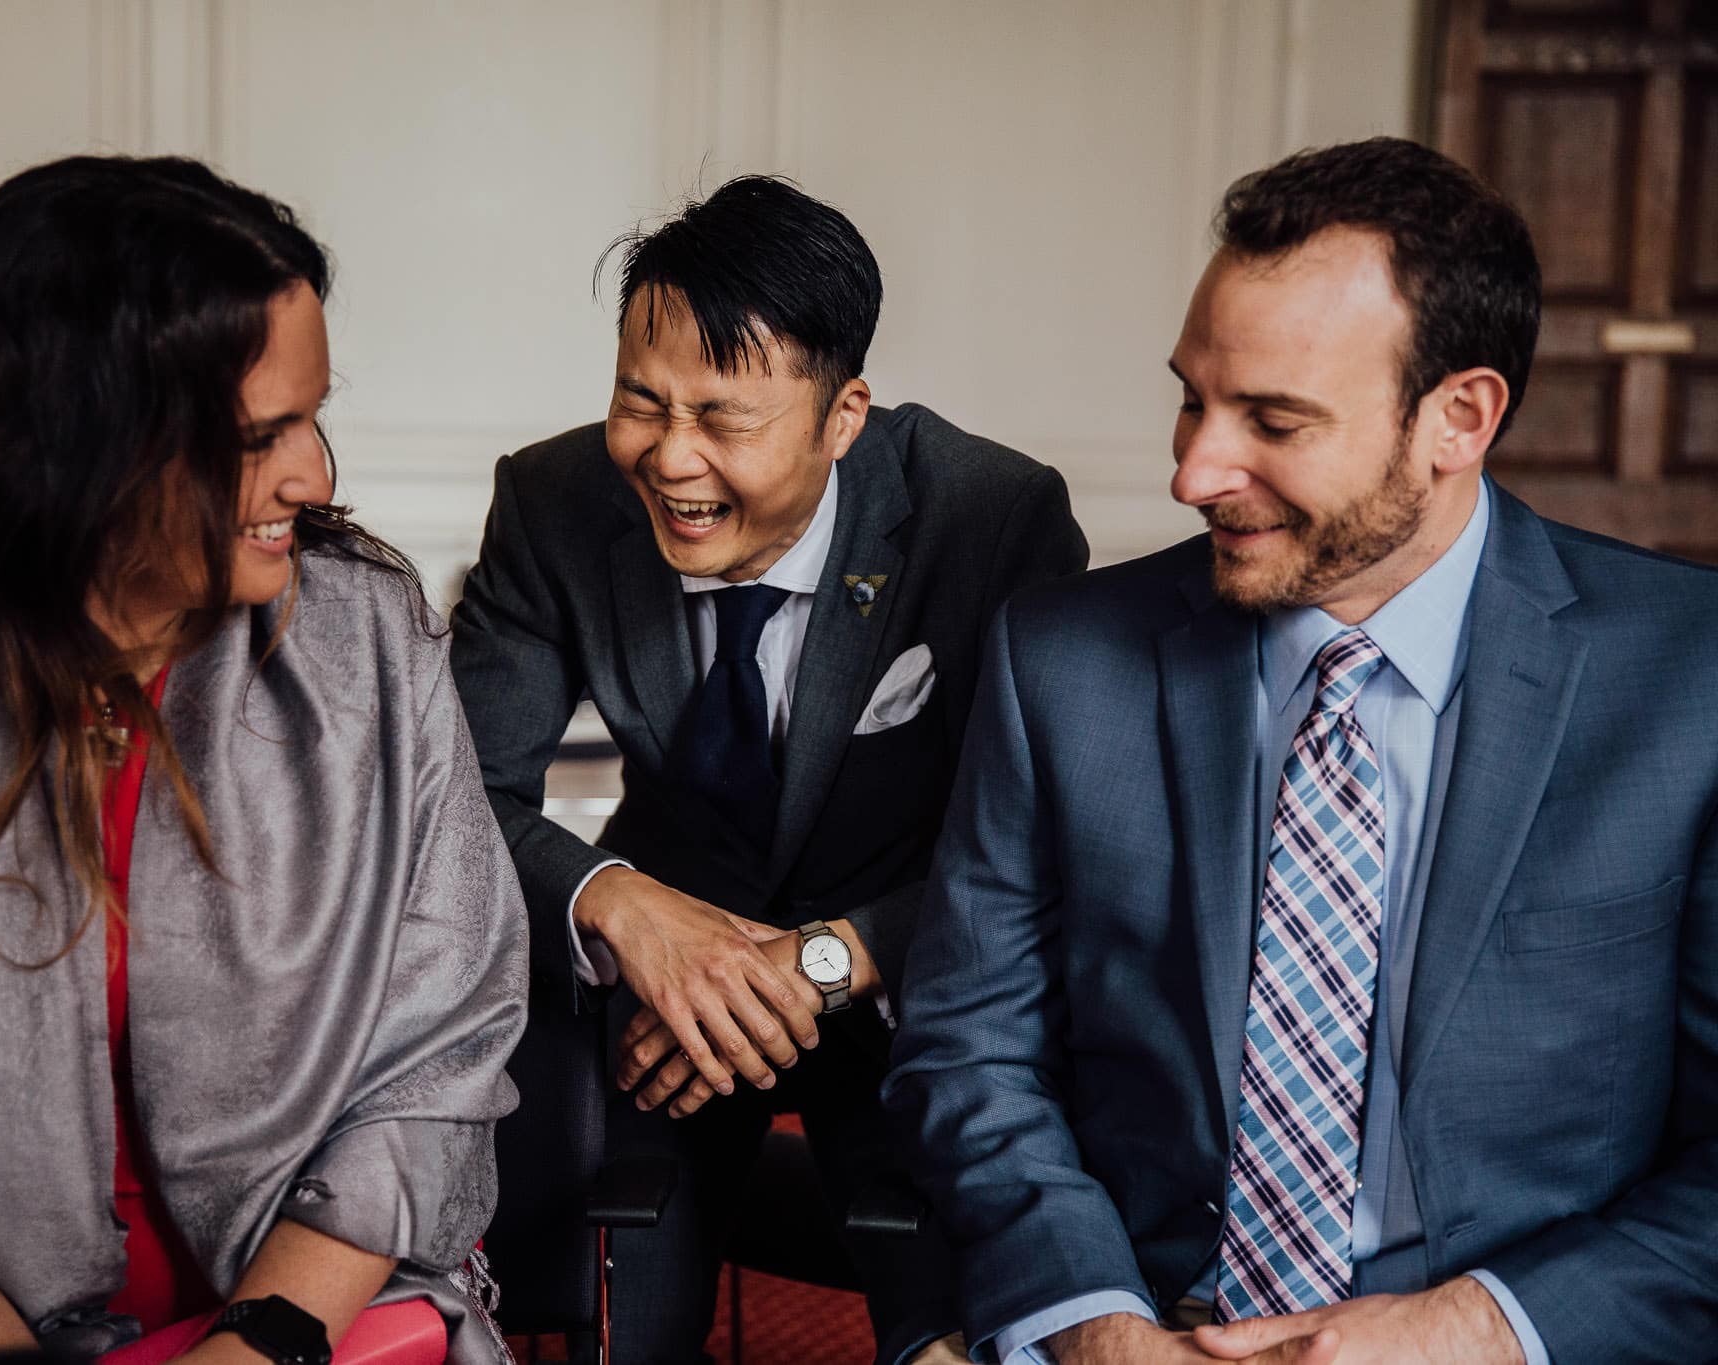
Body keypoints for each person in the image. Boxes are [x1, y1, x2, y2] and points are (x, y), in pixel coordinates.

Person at [0, 156, 526, 1363]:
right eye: (255, 437)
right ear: (84, 446)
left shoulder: (367, 646)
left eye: (313, 417)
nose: (315, 477)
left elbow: (439, 1050)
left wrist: (257, 1345)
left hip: (310, 1325)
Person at [883, 134, 1718, 1365]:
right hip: (1146, 1324)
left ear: (1458, 419)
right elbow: (970, 1050)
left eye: (1270, 419)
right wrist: (1094, 1326)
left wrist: (1474, 1329)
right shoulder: (1057, 660)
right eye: (1189, 395)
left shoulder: (1687, 678)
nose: (1191, 471)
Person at [449, 175, 1088, 1363]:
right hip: (660, 996)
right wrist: (620, 907)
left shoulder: (987, 517)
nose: (668, 458)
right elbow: (454, 796)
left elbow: (1042, 835)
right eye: (639, 401)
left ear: (843, 415)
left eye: (723, 420)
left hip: (912, 978)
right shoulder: (551, 502)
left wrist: (821, 967)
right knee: (612, 1294)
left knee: (949, 1309)